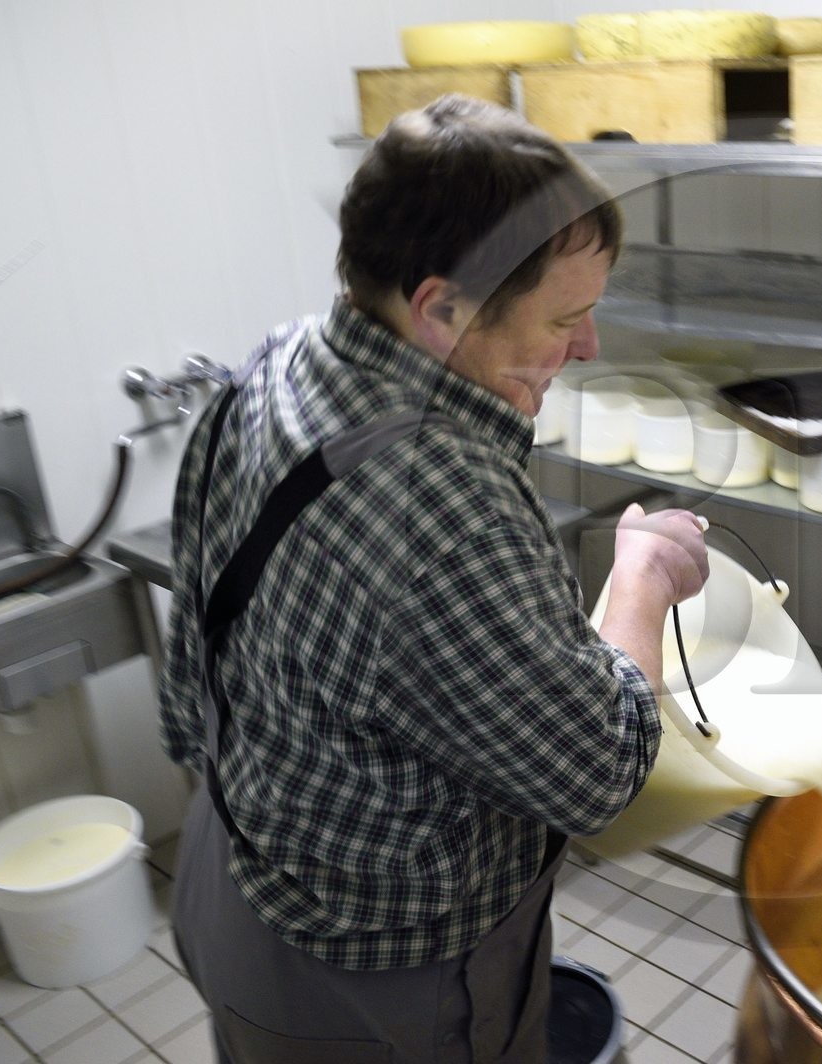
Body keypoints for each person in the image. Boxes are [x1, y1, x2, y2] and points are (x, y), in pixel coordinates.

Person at [157, 94, 708, 1063]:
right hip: (374, 973)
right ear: (442, 307)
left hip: (229, 866)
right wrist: (644, 574)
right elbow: (600, 771)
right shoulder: (441, 507)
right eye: (566, 318)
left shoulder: (279, 361)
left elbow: (191, 643)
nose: (587, 347)